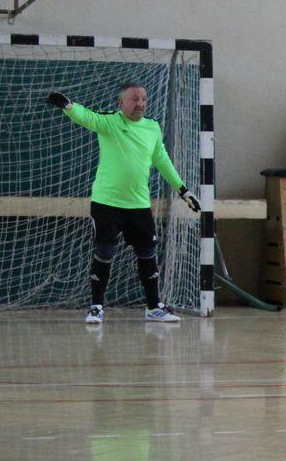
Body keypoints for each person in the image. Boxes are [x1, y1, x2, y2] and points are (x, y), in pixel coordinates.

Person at [46, 83, 201, 323]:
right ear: (121, 103)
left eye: (143, 99)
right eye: (134, 99)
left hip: (138, 205)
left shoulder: (152, 127)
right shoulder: (110, 122)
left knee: (148, 253)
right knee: (104, 252)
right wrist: (69, 106)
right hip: (106, 204)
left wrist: (183, 190)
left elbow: (162, 160)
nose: (140, 104)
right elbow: (87, 117)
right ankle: (96, 307)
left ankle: (153, 307)